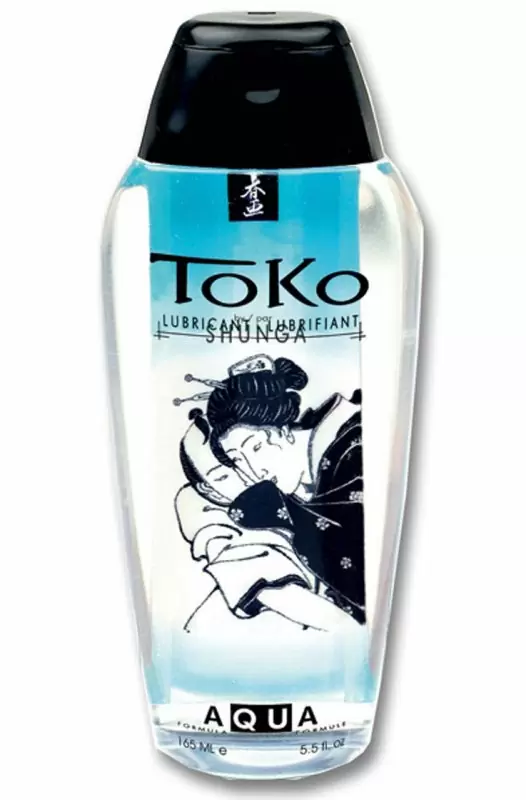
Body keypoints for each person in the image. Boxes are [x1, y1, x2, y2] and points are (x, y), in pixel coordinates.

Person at [199, 354, 366, 623]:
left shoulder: (354, 447)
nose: (255, 472)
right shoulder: (309, 481)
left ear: (285, 430)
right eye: (237, 460)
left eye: (256, 447)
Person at [174, 411, 354, 633]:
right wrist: (349, 631)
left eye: (250, 453)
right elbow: (278, 593)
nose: (247, 476)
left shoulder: (297, 480)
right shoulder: (218, 526)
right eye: (223, 476)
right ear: (208, 490)